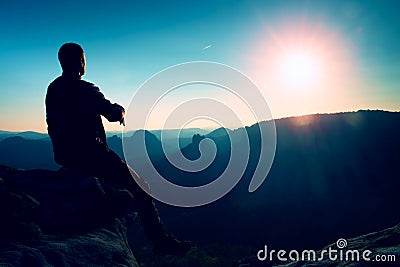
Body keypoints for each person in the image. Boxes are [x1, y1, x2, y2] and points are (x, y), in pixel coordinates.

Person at [45, 42, 190, 255]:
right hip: (93, 156)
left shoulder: (53, 89)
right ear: (80, 62)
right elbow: (111, 114)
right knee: (142, 188)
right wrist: (121, 111)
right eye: (84, 58)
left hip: (65, 157)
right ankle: (160, 241)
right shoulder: (86, 89)